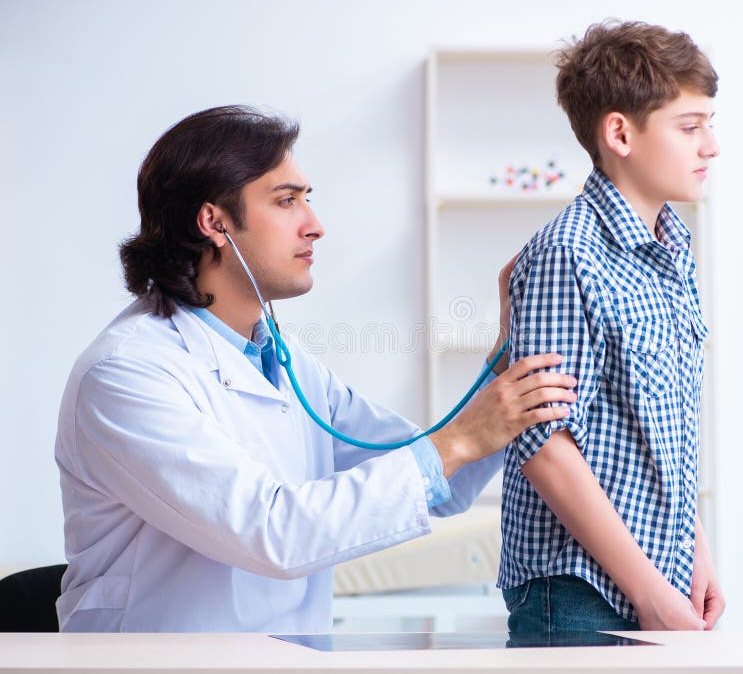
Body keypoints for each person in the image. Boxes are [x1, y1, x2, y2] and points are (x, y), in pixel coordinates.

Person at [54, 105, 577, 632]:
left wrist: (505, 362)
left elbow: (442, 483)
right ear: (214, 222)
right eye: (286, 201)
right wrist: (459, 440)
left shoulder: (284, 363)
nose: (316, 226)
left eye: (307, 199)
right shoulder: (126, 374)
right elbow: (273, 532)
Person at [498, 21, 726, 633]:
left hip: (657, 578)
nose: (711, 146)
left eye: (711, 124)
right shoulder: (567, 254)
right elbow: (542, 444)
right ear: (620, 133)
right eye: (690, 126)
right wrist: (648, 591)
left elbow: (657, 432)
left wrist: (693, 551)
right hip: (580, 593)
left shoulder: (673, 252)